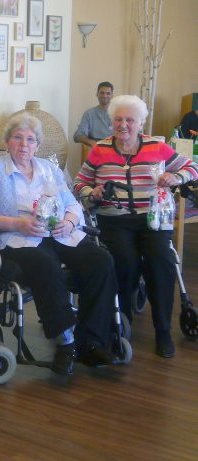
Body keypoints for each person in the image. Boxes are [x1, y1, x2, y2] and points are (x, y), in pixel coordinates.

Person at [0, 113, 119, 375]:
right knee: (46, 264)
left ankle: (93, 340)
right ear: (7, 141)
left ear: (38, 146)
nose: (24, 144)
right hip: (19, 239)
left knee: (101, 261)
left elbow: (73, 203)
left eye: (30, 140)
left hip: (60, 233)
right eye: (18, 137)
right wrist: (16, 223)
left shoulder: (49, 169)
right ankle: (66, 343)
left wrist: (71, 221)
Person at [74, 95, 198, 358]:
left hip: (152, 218)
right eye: (118, 119)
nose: (123, 125)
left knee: (162, 260)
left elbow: (192, 168)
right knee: (124, 260)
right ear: (112, 122)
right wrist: (91, 191)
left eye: (130, 120)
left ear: (140, 123)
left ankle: (162, 329)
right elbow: (78, 183)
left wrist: (175, 176)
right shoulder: (100, 149)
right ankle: (123, 321)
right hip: (114, 218)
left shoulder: (156, 146)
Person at [74, 81, 114, 148]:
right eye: (102, 93)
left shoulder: (118, 113)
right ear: (97, 94)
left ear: (112, 95)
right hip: (96, 149)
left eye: (108, 93)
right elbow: (78, 136)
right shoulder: (89, 114)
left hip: (115, 150)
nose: (105, 96)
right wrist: (92, 142)